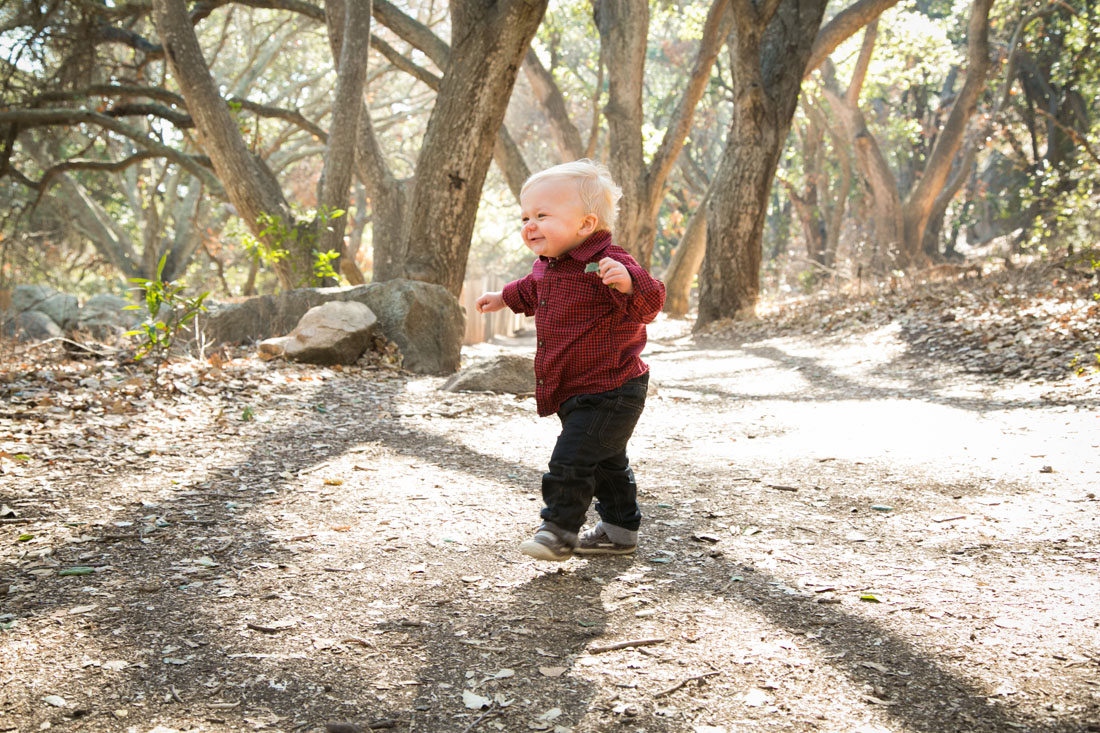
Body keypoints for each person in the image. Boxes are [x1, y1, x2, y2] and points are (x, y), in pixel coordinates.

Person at [476, 159, 666, 561]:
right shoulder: (547, 267)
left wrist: (630, 284)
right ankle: (619, 530)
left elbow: (650, 304)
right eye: (525, 216)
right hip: (573, 387)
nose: (530, 225)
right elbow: (530, 289)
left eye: (542, 215)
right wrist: (502, 298)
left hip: (612, 387)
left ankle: (558, 530)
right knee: (605, 464)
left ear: (585, 224)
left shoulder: (608, 263)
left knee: (572, 459)